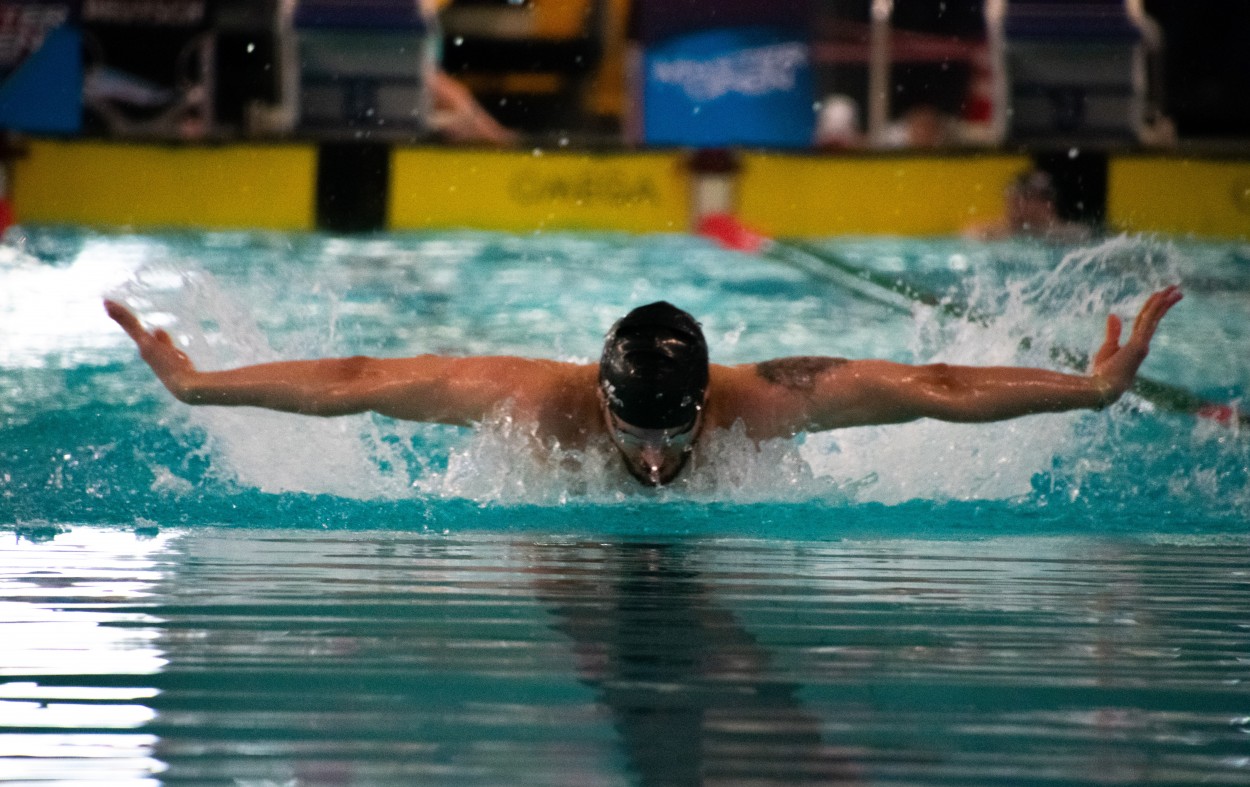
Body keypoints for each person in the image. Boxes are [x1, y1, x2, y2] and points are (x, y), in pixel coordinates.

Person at [105, 288, 1182, 487]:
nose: (660, 465)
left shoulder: (764, 397)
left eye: (677, 436)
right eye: (640, 439)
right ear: (606, 405)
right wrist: (200, 386)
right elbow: (359, 379)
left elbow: (934, 385)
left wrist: (1083, 392)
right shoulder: (526, 398)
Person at [966, 169, 1092, 243]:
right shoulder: (991, 231)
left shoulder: (1070, 233)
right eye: (1012, 198)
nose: (1015, 204)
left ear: (1047, 204)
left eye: (1024, 198)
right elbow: (969, 235)